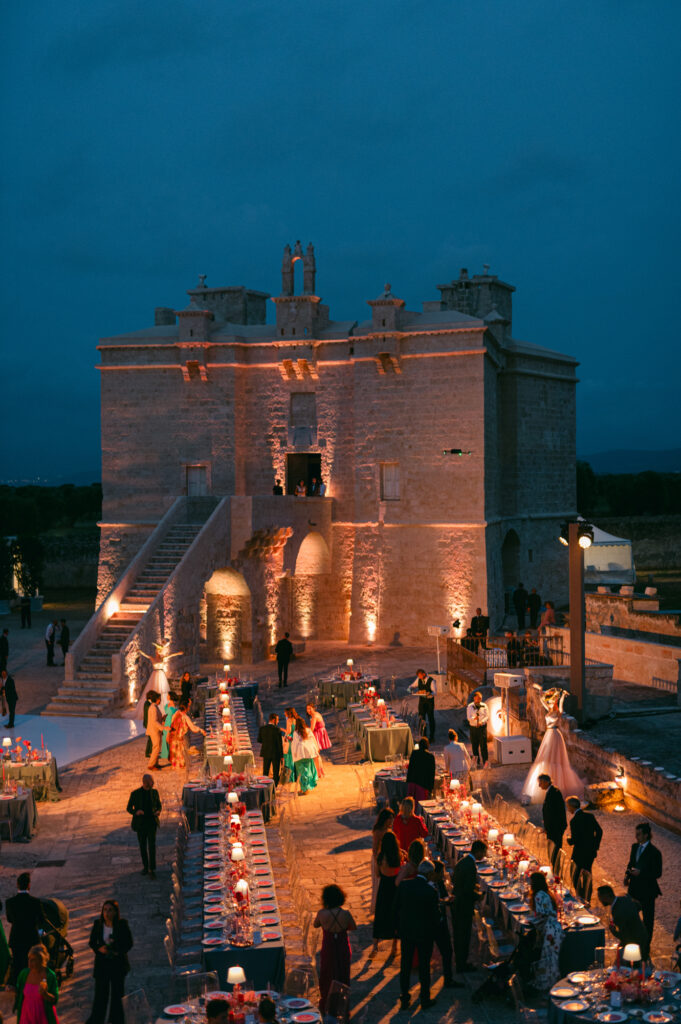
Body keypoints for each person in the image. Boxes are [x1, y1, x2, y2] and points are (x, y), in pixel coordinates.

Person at [395, 844, 440, 1010]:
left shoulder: (405, 886)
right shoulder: (431, 892)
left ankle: (404, 997)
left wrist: (398, 928)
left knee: (405, 966)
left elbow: (396, 908)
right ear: (428, 874)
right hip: (424, 934)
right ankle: (425, 998)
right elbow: (435, 916)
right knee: (424, 967)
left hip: (407, 932)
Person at [522, 688, 583, 803]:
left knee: (555, 756)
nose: (549, 703)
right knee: (545, 756)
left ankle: (557, 783)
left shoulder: (557, 711)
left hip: (555, 733)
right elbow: (541, 701)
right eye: (549, 702)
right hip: (548, 733)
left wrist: (563, 696)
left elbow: (560, 705)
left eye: (551, 702)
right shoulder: (549, 710)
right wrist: (540, 692)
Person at [86, 900, 133, 1024]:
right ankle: (97, 1020)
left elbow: (129, 943)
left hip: (117, 964)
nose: (107, 913)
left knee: (117, 995)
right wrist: (99, 949)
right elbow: (92, 942)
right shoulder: (98, 924)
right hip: (102, 964)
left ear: (115, 912)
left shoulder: (122, 924)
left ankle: (116, 1020)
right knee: (101, 995)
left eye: (110, 910)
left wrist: (118, 951)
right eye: (105, 910)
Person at [313, 884, 356, 1015]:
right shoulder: (346, 914)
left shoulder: (322, 914)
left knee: (327, 975)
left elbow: (315, 925)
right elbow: (353, 927)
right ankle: (342, 1005)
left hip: (328, 947)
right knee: (343, 974)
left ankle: (326, 1003)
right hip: (342, 946)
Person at [420, 859, 461, 989]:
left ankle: (448, 979)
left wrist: (447, 900)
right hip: (429, 925)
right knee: (426, 956)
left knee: (447, 952)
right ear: (434, 873)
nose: (443, 876)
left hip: (441, 923)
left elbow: (443, 897)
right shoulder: (426, 886)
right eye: (441, 873)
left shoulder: (440, 883)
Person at [452, 839, 487, 974]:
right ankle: (462, 964)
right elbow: (467, 890)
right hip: (463, 906)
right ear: (478, 851)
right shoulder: (471, 866)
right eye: (483, 852)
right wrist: (478, 896)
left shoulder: (464, 861)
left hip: (458, 903)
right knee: (463, 936)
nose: (484, 855)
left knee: (459, 935)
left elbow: (457, 880)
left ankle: (460, 962)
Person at [625, 822, 662, 943]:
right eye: (636, 834)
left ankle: (646, 945)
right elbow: (631, 863)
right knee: (630, 915)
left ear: (646, 835)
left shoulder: (655, 852)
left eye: (639, 834)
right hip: (634, 888)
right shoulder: (634, 847)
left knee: (648, 920)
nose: (636, 836)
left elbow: (657, 873)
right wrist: (627, 875)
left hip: (647, 891)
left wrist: (641, 873)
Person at [6, 873, 45, 983]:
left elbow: (9, 919)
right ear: (29, 885)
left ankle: (17, 984)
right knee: (33, 962)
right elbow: (42, 919)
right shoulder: (35, 902)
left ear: (17, 885)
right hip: (31, 938)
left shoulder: (10, 902)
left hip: (16, 938)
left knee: (17, 963)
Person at [529, 871, 564, 990]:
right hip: (555, 929)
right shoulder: (547, 893)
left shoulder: (539, 895)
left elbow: (542, 916)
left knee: (548, 959)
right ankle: (553, 983)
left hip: (550, 931)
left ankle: (548, 985)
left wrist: (533, 924)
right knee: (553, 959)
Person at [596, 885, 649, 961]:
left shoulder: (618, 913)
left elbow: (624, 936)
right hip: (642, 934)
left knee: (631, 966)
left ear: (606, 896)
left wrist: (613, 931)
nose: (599, 900)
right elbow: (638, 905)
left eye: (599, 897)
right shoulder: (624, 896)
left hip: (635, 941)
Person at [371, 830, 401, 958]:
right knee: (395, 916)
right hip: (395, 888)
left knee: (380, 915)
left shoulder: (380, 857)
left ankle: (375, 946)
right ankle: (394, 946)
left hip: (384, 887)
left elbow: (378, 874)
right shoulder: (398, 856)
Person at [127, 773, 162, 878]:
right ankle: (145, 867)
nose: (153, 783)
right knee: (142, 846)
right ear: (145, 783)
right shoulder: (135, 794)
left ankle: (152, 869)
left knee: (152, 846)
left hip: (152, 823)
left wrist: (158, 811)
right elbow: (129, 808)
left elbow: (159, 805)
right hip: (141, 824)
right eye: (151, 782)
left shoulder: (154, 792)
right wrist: (136, 812)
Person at [134, 640, 183, 714]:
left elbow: (171, 655)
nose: (159, 652)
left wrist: (178, 653)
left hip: (161, 674)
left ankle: (163, 707)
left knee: (162, 690)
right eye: (158, 651)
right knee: (154, 688)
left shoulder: (162, 658)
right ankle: (152, 707)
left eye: (160, 651)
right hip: (155, 674)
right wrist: (140, 651)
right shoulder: (152, 658)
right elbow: (145, 655)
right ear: (156, 652)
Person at [14, 943, 59, 1024]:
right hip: (26, 1016)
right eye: (29, 959)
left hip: (43, 1017)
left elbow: (54, 1000)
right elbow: (19, 993)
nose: (29, 963)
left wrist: (45, 994)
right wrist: (14, 990)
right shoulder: (24, 974)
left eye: (33, 960)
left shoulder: (50, 976)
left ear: (41, 960)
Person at [566, 796, 602, 893]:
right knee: (587, 874)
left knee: (574, 874)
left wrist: (569, 840)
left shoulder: (574, 821)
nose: (568, 809)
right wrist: (595, 845)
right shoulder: (590, 816)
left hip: (579, 853)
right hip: (590, 851)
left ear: (572, 807)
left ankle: (580, 894)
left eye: (568, 807)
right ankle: (587, 897)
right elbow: (599, 831)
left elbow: (576, 839)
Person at [538, 773, 567, 870]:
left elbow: (553, 813)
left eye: (541, 783)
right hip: (554, 827)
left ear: (546, 782)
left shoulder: (553, 793)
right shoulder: (552, 791)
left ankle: (557, 871)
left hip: (555, 828)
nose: (539, 785)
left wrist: (547, 828)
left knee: (554, 851)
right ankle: (556, 869)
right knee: (553, 851)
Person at [167, 700, 205, 769]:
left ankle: (175, 766)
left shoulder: (176, 713)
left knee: (174, 756)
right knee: (180, 758)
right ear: (187, 708)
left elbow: (171, 723)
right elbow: (193, 728)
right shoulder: (185, 717)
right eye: (189, 706)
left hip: (172, 738)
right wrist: (200, 730)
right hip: (179, 739)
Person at [371, 808, 395, 912]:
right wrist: (379, 863)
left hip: (387, 859)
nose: (392, 821)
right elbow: (375, 849)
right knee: (378, 884)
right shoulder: (378, 831)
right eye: (390, 819)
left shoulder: (388, 830)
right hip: (380, 860)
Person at [290, 716, 319, 795]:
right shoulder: (308, 730)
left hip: (300, 755)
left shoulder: (296, 733)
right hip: (308, 753)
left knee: (301, 772)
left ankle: (305, 789)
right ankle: (304, 788)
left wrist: (294, 754)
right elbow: (313, 740)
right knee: (307, 771)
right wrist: (316, 750)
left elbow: (295, 744)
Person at [408, 669, 437, 742]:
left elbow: (435, 692)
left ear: (424, 674)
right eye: (418, 676)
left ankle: (432, 737)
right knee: (422, 719)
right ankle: (424, 736)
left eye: (420, 676)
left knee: (431, 719)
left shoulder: (431, 680)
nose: (419, 677)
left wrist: (430, 694)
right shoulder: (418, 679)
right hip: (422, 702)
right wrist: (410, 689)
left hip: (430, 702)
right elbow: (412, 685)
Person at [258, 713, 284, 786]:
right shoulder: (277, 729)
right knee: (276, 772)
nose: (278, 721)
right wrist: (282, 756)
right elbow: (279, 744)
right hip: (276, 753)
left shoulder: (262, 728)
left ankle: (264, 786)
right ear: (273, 720)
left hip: (266, 752)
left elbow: (259, 740)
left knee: (265, 771)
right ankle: (274, 787)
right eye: (277, 720)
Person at [406, 736, 436, 801]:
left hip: (412, 782)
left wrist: (408, 781)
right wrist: (431, 788)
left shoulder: (414, 753)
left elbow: (410, 768)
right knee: (420, 804)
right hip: (422, 784)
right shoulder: (430, 756)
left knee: (410, 802)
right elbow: (431, 773)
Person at [306, 703, 332, 776]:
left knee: (316, 754)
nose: (308, 710)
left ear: (313, 708)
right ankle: (320, 772)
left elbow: (312, 728)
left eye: (310, 708)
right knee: (317, 754)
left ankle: (319, 772)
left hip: (318, 734)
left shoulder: (314, 716)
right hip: (320, 733)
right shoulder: (317, 714)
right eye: (307, 709)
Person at [466, 691, 489, 768]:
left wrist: (482, 722)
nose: (478, 700)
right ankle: (477, 762)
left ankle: (485, 761)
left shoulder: (484, 706)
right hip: (473, 728)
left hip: (482, 728)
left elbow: (487, 716)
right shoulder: (470, 706)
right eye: (477, 699)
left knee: (483, 745)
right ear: (474, 699)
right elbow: (469, 717)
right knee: (474, 745)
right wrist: (474, 719)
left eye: (480, 699)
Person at [145, 692, 166, 770]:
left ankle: (155, 763)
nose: (160, 700)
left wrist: (162, 718)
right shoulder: (153, 708)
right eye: (159, 699)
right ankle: (151, 764)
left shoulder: (155, 707)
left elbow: (156, 718)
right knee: (156, 747)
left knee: (157, 747)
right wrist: (163, 728)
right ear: (157, 699)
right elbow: (154, 721)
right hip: (154, 730)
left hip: (156, 730)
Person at [160, 693, 179, 762]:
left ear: (171, 696)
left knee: (168, 738)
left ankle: (170, 754)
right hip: (166, 722)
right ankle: (165, 753)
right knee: (164, 737)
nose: (167, 696)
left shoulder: (174, 706)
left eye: (168, 695)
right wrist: (163, 721)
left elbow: (174, 717)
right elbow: (166, 714)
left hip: (170, 722)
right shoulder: (167, 704)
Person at [281, 707, 297, 784]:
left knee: (288, 757)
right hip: (295, 739)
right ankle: (294, 776)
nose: (284, 714)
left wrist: (282, 730)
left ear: (288, 713)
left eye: (285, 712)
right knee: (293, 758)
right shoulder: (296, 720)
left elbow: (288, 731)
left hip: (290, 740)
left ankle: (290, 777)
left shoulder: (289, 720)